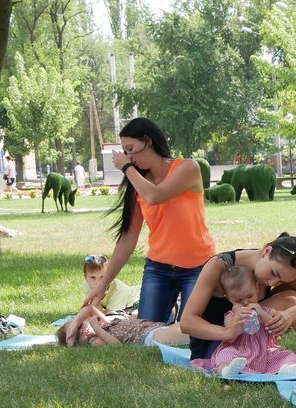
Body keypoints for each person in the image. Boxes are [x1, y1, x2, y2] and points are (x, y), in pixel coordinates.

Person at [83, 117, 216, 322]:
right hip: (159, 268)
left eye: (130, 149)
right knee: (145, 331)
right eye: (125, 152)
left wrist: (126, 167)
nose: (128, 157)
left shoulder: (188, 168)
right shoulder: (139, 183)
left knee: (189, 329)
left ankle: (175, 315)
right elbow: (128, 238)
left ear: (148, 141)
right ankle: (170, 313)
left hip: (199, 266)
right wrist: (103, 285)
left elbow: (155, 196)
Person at [179, 233, 296, 362]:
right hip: (219, 349)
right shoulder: (219, 265)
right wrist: (228, 332)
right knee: (290, 300)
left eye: (281, 281)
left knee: (293, 300)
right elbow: (186, 323)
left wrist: (291, 314)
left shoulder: (280, 268)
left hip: (254, 346)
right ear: (267, 251)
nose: (272, 283)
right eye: (273, 273)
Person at [189, 261, 296, 376]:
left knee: (285, 355)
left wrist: (261, 314)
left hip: (264, 353)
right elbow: (230, 339)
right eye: (238, 300)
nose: (246, 302)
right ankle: (226, 370)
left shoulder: (266, 311)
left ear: (257, 288)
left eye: (250, 296)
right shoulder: (231, 316)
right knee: (224, 355)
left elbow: (274, 330)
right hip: (239, 352)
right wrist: (238, 321)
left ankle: (287, 368)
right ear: (228, 298)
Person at [57, 304, 188, 348]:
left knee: (189, 326)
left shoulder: (105, 325)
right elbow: (116, 346)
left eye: (80, 326)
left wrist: (75, 323)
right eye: (78, 335)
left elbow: (90, 308)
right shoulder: (94, 340)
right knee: (191, 334)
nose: (83, 330)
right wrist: (95, 329)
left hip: (153, 327)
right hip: (148, 336)